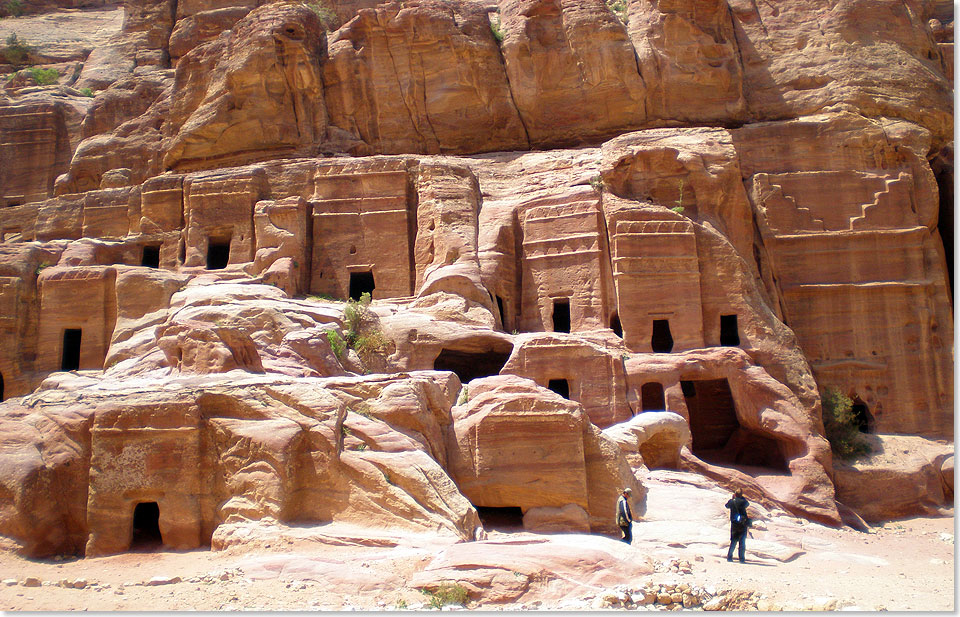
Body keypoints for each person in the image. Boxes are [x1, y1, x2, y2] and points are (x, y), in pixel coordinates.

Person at [725, 488, 749, 563]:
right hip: (742, 524)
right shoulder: (743, 501)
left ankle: (729, 557)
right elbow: (747, 504)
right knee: (742, 542)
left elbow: (727, 506)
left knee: (733, 541)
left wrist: (733, 498)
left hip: (734, 524)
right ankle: (741, 559)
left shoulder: (732, 502)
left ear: (735, 494)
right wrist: (741, 497)